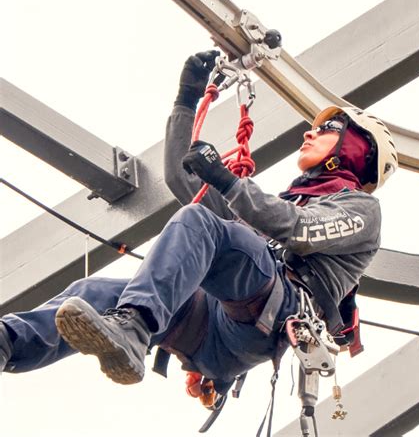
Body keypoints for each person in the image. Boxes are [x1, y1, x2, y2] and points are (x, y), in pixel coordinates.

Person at [0, 51, 397, 400]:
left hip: (276, 312)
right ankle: (8, 343)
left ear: (356, 150)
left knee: (200, 222)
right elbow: (181, 179)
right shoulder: (272, 211)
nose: (309, 132)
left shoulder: (361, 210)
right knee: (92, 293)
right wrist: (186, 99)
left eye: (327, 130)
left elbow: (298, 229)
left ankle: (135, 327)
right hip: (218, 327)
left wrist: (228, 181)